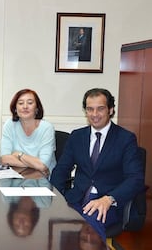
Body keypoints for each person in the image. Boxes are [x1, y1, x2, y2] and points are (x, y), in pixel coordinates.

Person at [50, 88, 144, 241]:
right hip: (77, 199)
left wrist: (109, 199)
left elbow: (135, 178)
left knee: (89, 229)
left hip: (107, 204)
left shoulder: (125, 139)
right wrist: (55, 197)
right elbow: (61, 169)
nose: (94, 114)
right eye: (89, 109)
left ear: (110, 110)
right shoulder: (77, 136)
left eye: (100, 109)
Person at [0, 89, 56, 177]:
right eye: (20, 103)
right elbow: (4, 159)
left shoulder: (46, 128)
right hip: (16, 177)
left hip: (42, 180)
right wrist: (34, 164)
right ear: (15, 109)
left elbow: (43, 165)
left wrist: (18, 154)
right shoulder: (10, 125)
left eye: (30, 103)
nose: (25, 106)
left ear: (37, 108)